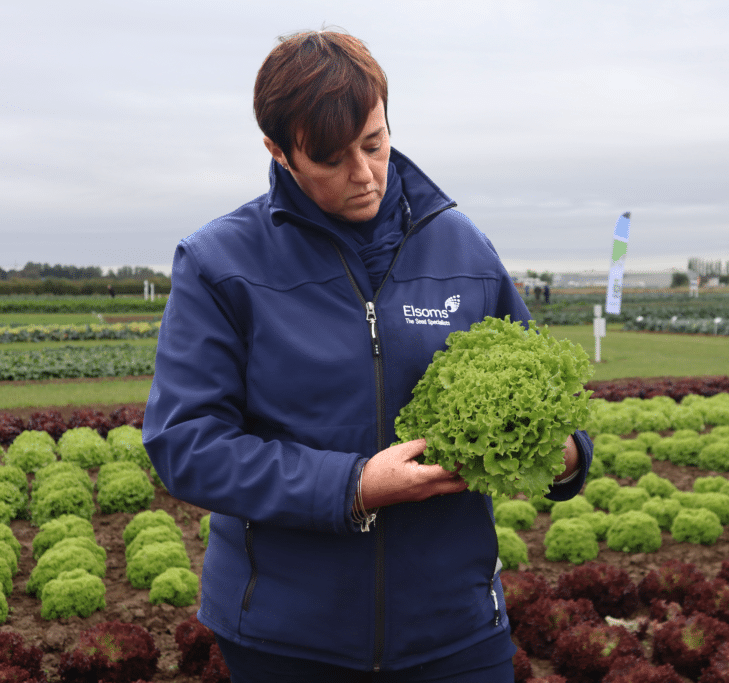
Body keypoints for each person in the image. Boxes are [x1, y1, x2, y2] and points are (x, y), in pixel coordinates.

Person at [142, 29, 593, 683]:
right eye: (330, 157)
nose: (363, 173)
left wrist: (563, 453)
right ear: (278, 150)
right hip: (288, 639)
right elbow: (186, 444)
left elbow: (545, 393)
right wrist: (352, 486)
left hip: (456, 631)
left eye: (374, 143)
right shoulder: (220, 264)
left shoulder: (461, 247)